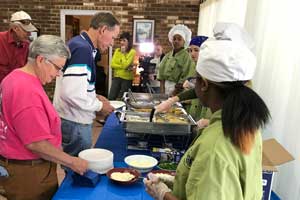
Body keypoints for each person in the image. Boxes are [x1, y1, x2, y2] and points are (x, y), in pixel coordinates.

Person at [144, 23, 271, 200]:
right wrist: (178, 180)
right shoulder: (247, 125)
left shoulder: (214, 149)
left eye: (196, 79)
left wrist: (163, 193)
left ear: (203, 84)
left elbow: (214, 171)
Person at [0, 35, 88, 200]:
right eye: (57, 68)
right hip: (29, 174)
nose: (58, 74)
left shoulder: (13, 77)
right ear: (41, 60)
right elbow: (36, 143)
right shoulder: (26, 91)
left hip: (16, 167)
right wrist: (71, 161)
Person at [53, 12, 119, 157]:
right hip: (75, 121)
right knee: (77, 168)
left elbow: (74, 85)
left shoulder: (80, 43)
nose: (112, 43)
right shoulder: (83, 49)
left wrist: (95, 96)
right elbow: (72, 94)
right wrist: (100, 106)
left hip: (71, 118)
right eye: (113, 37)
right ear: (102, 30)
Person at [0, 10, 37, 83]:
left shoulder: (27, 46)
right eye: (26, 31)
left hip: (16, 87)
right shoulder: (1, 39)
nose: (29, 34)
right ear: (15, 28)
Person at [157, 24, 194, 96]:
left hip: (179, 91)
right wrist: (162, 94)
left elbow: (185, 77)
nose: (176, 41)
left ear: (184, 42)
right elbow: (161, 76)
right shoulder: (167, 56)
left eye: (179, 39)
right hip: (164, 88)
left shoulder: (187, 57)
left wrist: (173, 95)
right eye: (174, 39)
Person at [108, 32, 136, 100]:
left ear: (128, 42)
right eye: (121, 40)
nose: (121, 42)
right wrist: (123, 66)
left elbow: (125, 65)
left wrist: (123, 54)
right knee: (111, 97)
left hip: (127, 79)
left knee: (123, 99)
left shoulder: (132, 52)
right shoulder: (117, 50)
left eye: (124, 40)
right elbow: (112, 64)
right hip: (117, 77)